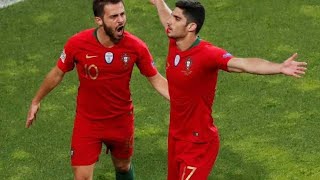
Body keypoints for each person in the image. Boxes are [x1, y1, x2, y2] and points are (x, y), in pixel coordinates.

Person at [149, 0, 307, 179]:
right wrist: (159, 2)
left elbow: (242, 64)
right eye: (172, 16)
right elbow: (165, 17)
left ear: (191, 27)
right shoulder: (175, 41)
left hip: (199, 143)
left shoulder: (207, 54)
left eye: (176, 18)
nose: (170, 21)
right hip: (176, 137)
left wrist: (278, 67)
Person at [25, 0, 169, 179]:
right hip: (88, 122)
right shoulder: (77, 43)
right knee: (82, 176)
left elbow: (156, 79)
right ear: (99, 20)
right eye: (114, 16)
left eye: (122, 14)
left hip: (120, 120)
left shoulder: (136, 47)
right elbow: (57, 73)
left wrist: (182, 99)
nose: (121, 20)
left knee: (123, 167)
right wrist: (36, 100)